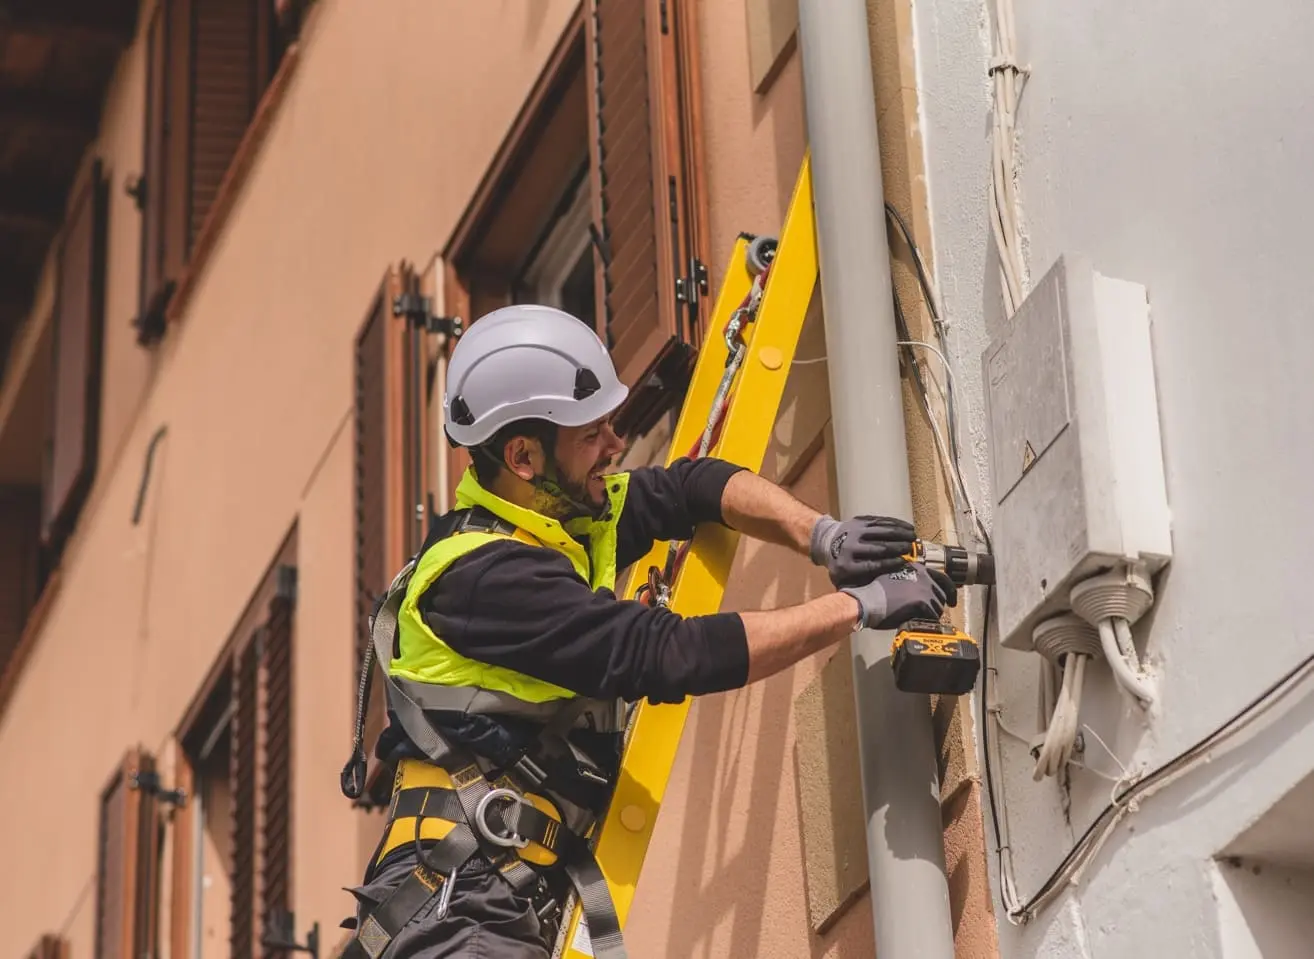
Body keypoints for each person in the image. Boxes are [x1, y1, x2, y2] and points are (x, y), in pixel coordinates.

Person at [339, 304, 955, 959]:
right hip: (455, 900)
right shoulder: (486, 581)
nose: (615, 444)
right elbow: (670, 652)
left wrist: (824, 536)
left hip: (492, 893)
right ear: (523, 456)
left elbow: (690, 488)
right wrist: (857, 607)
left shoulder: (562, 521)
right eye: (591, 434)